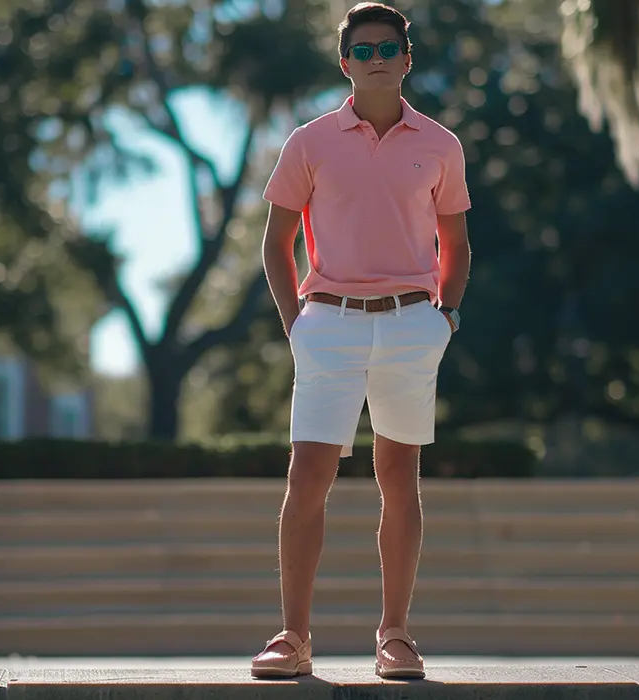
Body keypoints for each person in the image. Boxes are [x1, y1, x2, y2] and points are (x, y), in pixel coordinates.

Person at [252, 1, 471, 681]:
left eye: (388, 49)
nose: (376, 60)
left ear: (407, 59)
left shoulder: (441, 144)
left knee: (398, 478)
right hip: (329, 324)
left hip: (412, 325)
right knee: (308, 477)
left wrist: (445, 318)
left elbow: (457, 246)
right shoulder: (310, 142)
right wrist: (299, 325)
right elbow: (276, 244)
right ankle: (293, 636)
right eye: (363, 51)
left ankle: (396, 636)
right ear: (345, 63)